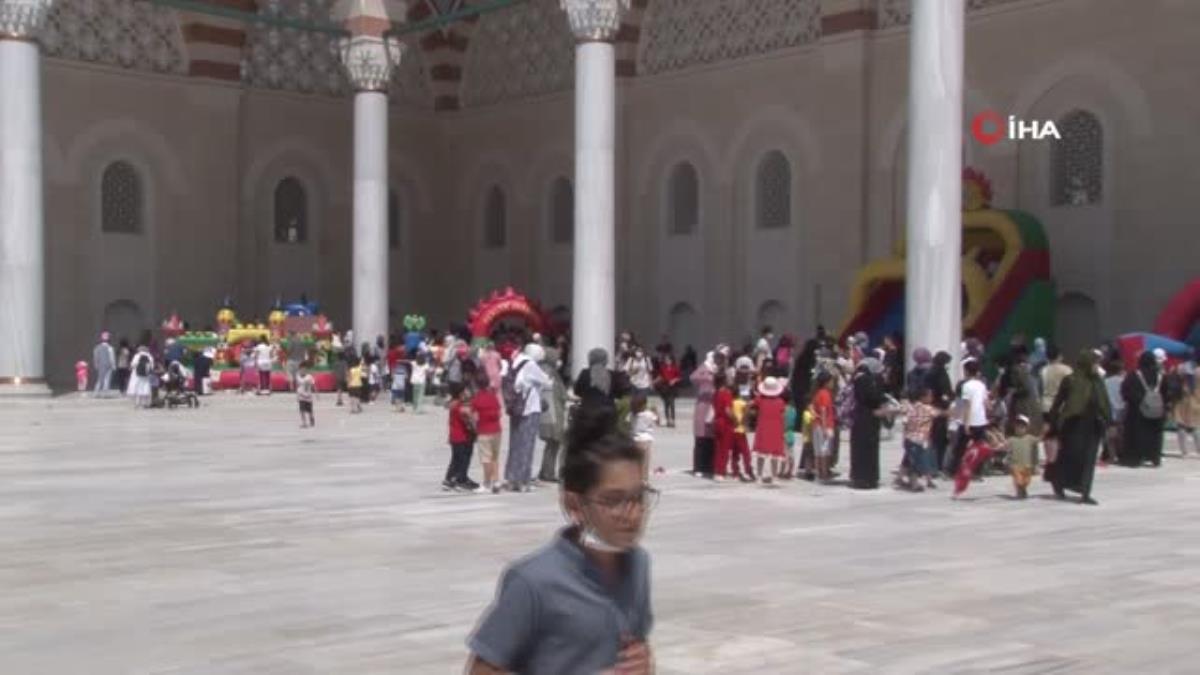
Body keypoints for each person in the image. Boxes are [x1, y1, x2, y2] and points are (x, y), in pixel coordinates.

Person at [466, 408, 656, 675]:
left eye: (638, 497)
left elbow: (634, 649)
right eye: (614, 500)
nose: (633, 513)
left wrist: (643, 664)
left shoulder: (638, 565)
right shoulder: (533, 582)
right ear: (574, 504)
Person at [1046, 350, 1111, 504]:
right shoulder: (1070, 380)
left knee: (1089, 460)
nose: (1097, 366)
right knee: (1070, 458)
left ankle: (1085, 493)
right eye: (1094, 363)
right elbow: (1058, 403)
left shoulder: (1097, 381)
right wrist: (1053, 423)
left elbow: (1104, 403)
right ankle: (1059, 484)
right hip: (1072, 426)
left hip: (1093, 425)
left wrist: (1109, 421)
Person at [505, 344, 552, 492]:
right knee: (527, 445)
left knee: (515, 443)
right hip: (529, 408)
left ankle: (512, 478)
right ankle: (523, 480)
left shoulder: (517, 361)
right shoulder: (531, 364)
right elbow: (546, 381)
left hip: (516, 408)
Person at [1120, 350, 1166, 467]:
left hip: (1137, 411)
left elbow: (1125, 391)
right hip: (1157, 410)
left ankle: (1135, 458)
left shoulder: (1134, 374)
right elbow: (1166, 392)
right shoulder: (1160, 375)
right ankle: (1154, 457)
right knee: (1155, 434)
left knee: (1137, 434)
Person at [849, 358, 888, 489]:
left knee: (859, 449)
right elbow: (872, 397)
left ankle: (858, 477)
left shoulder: (856, 378)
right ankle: (868, 478)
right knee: (869, 449)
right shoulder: (866, 380)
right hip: (868, 417)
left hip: (859, 417)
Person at [899, 387, 942, 491]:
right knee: (918, 462)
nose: (932, 397)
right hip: (920, 440)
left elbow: (905, 422)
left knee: (909, 460)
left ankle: (902, 478)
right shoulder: (928, 409)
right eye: (930, 395)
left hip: (910, 439)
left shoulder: (911, 408)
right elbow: (940, 413)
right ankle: (915, 483)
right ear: (923, 397)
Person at [537, 345, 569, 483]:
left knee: (552, 444)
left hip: (550, 411)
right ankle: (548, 473)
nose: (558, 360)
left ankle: (545, 471)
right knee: (554, 442)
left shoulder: (548, 370)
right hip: (552, 412)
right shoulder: (549, 372)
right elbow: (556, 393)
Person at [574, 348, 627, 423]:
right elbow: (620, 394)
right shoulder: (612, 374)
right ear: (605, 360)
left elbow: (577, 391)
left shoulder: (585, 373)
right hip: (608, 412)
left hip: (587, 412)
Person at [445, 383, 480, 492]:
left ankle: (449, 479)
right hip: (463, 438)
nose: (468, 393)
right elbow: (469, 423)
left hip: (454, 437)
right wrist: (476, 430)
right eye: (466, 391)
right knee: (464, 459)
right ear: (461, 393)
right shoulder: (461, 407)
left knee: (456, 459)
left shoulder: (453, 404)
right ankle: (461, 479)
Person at [472, 373, 504, 494]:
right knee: (495, 457)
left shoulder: (476, 399)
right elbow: (499, 413)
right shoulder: (493, 396)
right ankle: (496, 481)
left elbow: (475, 418)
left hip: (484, 431)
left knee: (486, 459)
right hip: (497, 430)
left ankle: (486, 483)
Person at [752, 377, 787, 485]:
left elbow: (752, 405)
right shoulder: (781, 402)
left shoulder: (760, 400)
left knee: (761, 453)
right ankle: (774, 476)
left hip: (763, 427)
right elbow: (783, 414)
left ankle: (759, 475)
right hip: (776, 428)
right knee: (775, 455)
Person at [689, 352, 718, 478]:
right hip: (702, 406)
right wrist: (705, 368)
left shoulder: (719, 370)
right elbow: (693, 377)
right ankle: (698, 467)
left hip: (714, 406)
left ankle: (710, 466)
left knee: (712, 439)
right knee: (700, 438)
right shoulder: (703, 371)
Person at [810, 371, 836, 483]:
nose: (832, 383)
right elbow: (824, 410)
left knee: (817, 451)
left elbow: (811, 406)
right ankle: (824, 473)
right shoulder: (825, 394)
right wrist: (825, 427)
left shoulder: (817, 393)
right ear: (826, 382)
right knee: (825, 451)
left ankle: (818, 472)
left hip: (816, 424)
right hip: (824, 425)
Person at [1007, 414, 1039, 499]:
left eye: (1022, 427)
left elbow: (1039, 440)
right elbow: (1005, 447)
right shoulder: (1011, 439)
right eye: (1017, 427)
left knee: (1026, 481)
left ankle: (1023, 489)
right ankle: (1020, 491)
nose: (1019, 429)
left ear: (1027, 428)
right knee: (1018, 481)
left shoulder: (1030, 438)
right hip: (1015, 465)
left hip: (1027, 465)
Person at [1174, 362, 1200, 457]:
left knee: (1181, 425)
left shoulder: (1181, 368)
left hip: (1182, 399)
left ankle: (1184, 452)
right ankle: (1199, 449)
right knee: (1195, 426)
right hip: (1196, 400)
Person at [630, 393, 658, 480]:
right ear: (644, 404)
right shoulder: (649, 414)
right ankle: (643, 481)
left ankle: (634, 479)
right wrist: (655, 411)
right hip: (645, 440)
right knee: (645, 463)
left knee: (635, 463)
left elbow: (628, 424)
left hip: (634, 439)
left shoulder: (632, 414)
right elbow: (657, 422)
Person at [1040, 345, 1072, 413]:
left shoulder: (1043, 370)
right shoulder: (1067, 370)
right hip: (1061, 406)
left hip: (1046, 406)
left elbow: (1040, 388)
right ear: (1059, 355)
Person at [654, 354, 681, 428]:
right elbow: (660, 376)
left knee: (672, 404)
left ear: (671, 360)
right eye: (666, 360)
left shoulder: (675, 368)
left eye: (668, 360)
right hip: (664, 387)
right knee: (666, 405)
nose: (667, 361)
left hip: (672, 388)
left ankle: (673, 420)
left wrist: (674, 380)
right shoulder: (663, 368)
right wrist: (654, 382)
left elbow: (679, 377)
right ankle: (668, 420)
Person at [92, 332, 116, 397]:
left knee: (100, 378)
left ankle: (96, 393)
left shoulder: (97, 348)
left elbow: (95, 357)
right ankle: (105, 393)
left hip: (100, 365)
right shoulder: (110, 348)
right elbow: (112, 358)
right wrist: (114, 366)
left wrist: (96, 364)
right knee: (107, 379)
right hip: (108, 365)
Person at [296, 364, 316, 428]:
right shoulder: (298, 377)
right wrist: (297, 396)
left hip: (308, 397)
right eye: (301, 370)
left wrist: (317, 393)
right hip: (301, 397)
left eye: (304, 370)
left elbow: (313, 385)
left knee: (310, 411)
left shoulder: (309, 377)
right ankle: (304, 423)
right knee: (302, 410)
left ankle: (311, 418)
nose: (302, 371)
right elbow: (297, 386)